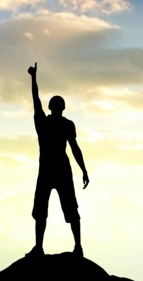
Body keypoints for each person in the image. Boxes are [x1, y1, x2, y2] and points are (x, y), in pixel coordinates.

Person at [26, 62, 89, 257]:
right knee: (69, 209)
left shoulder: (43, 123)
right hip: (61, 170)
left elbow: (35, 99)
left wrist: (33, 78)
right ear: (62, 107)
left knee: (43, 211)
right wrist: (84, 170)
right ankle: (77, 247)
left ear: (51, 107)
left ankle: (40, 247)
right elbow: (75, 149)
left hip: (48, 171)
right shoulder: (66, 124)